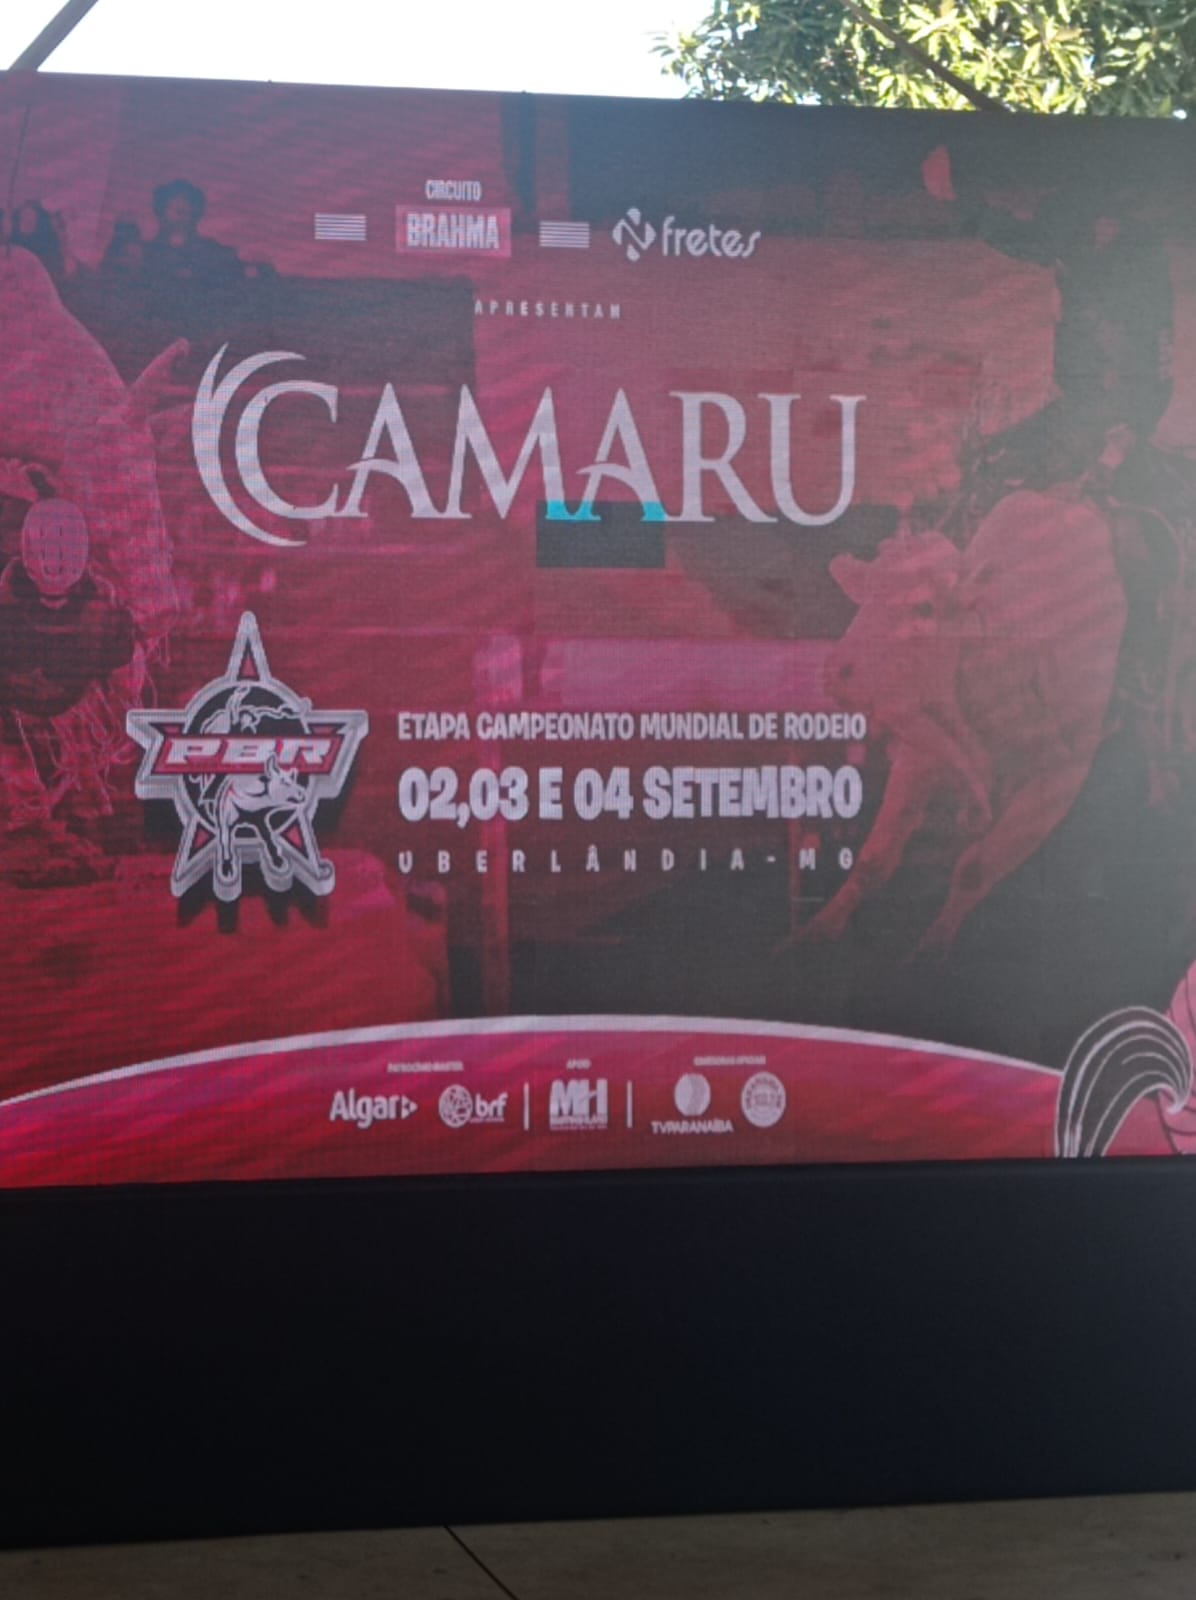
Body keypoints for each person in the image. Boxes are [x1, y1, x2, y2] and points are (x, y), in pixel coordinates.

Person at [142, 178, 243, 288]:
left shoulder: (214, 254)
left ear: (196, 214)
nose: (181, 215)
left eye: (185, 210)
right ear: (160, 211)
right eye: (175, 209)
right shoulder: (144, 254)